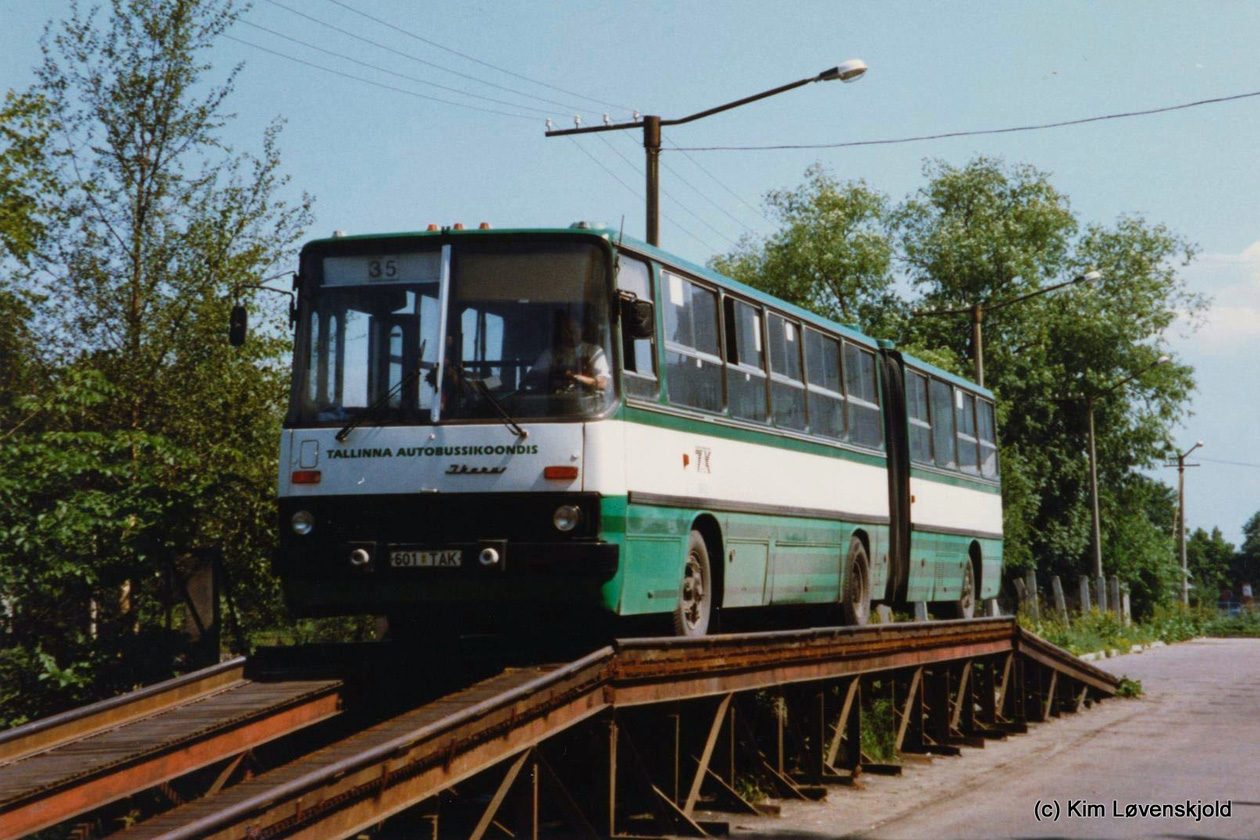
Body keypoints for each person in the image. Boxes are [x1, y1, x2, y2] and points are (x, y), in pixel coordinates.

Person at [525, 313, 609, 393]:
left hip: (588, 404)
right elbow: (530, 379)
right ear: (561, 332)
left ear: (582, 330)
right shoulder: (551, 354)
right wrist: (555, 371)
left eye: (573, 330)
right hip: (556, 401)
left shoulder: (593, 351)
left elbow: (603, 383)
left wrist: (573, 376)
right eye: (566, 331)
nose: (569, 335)